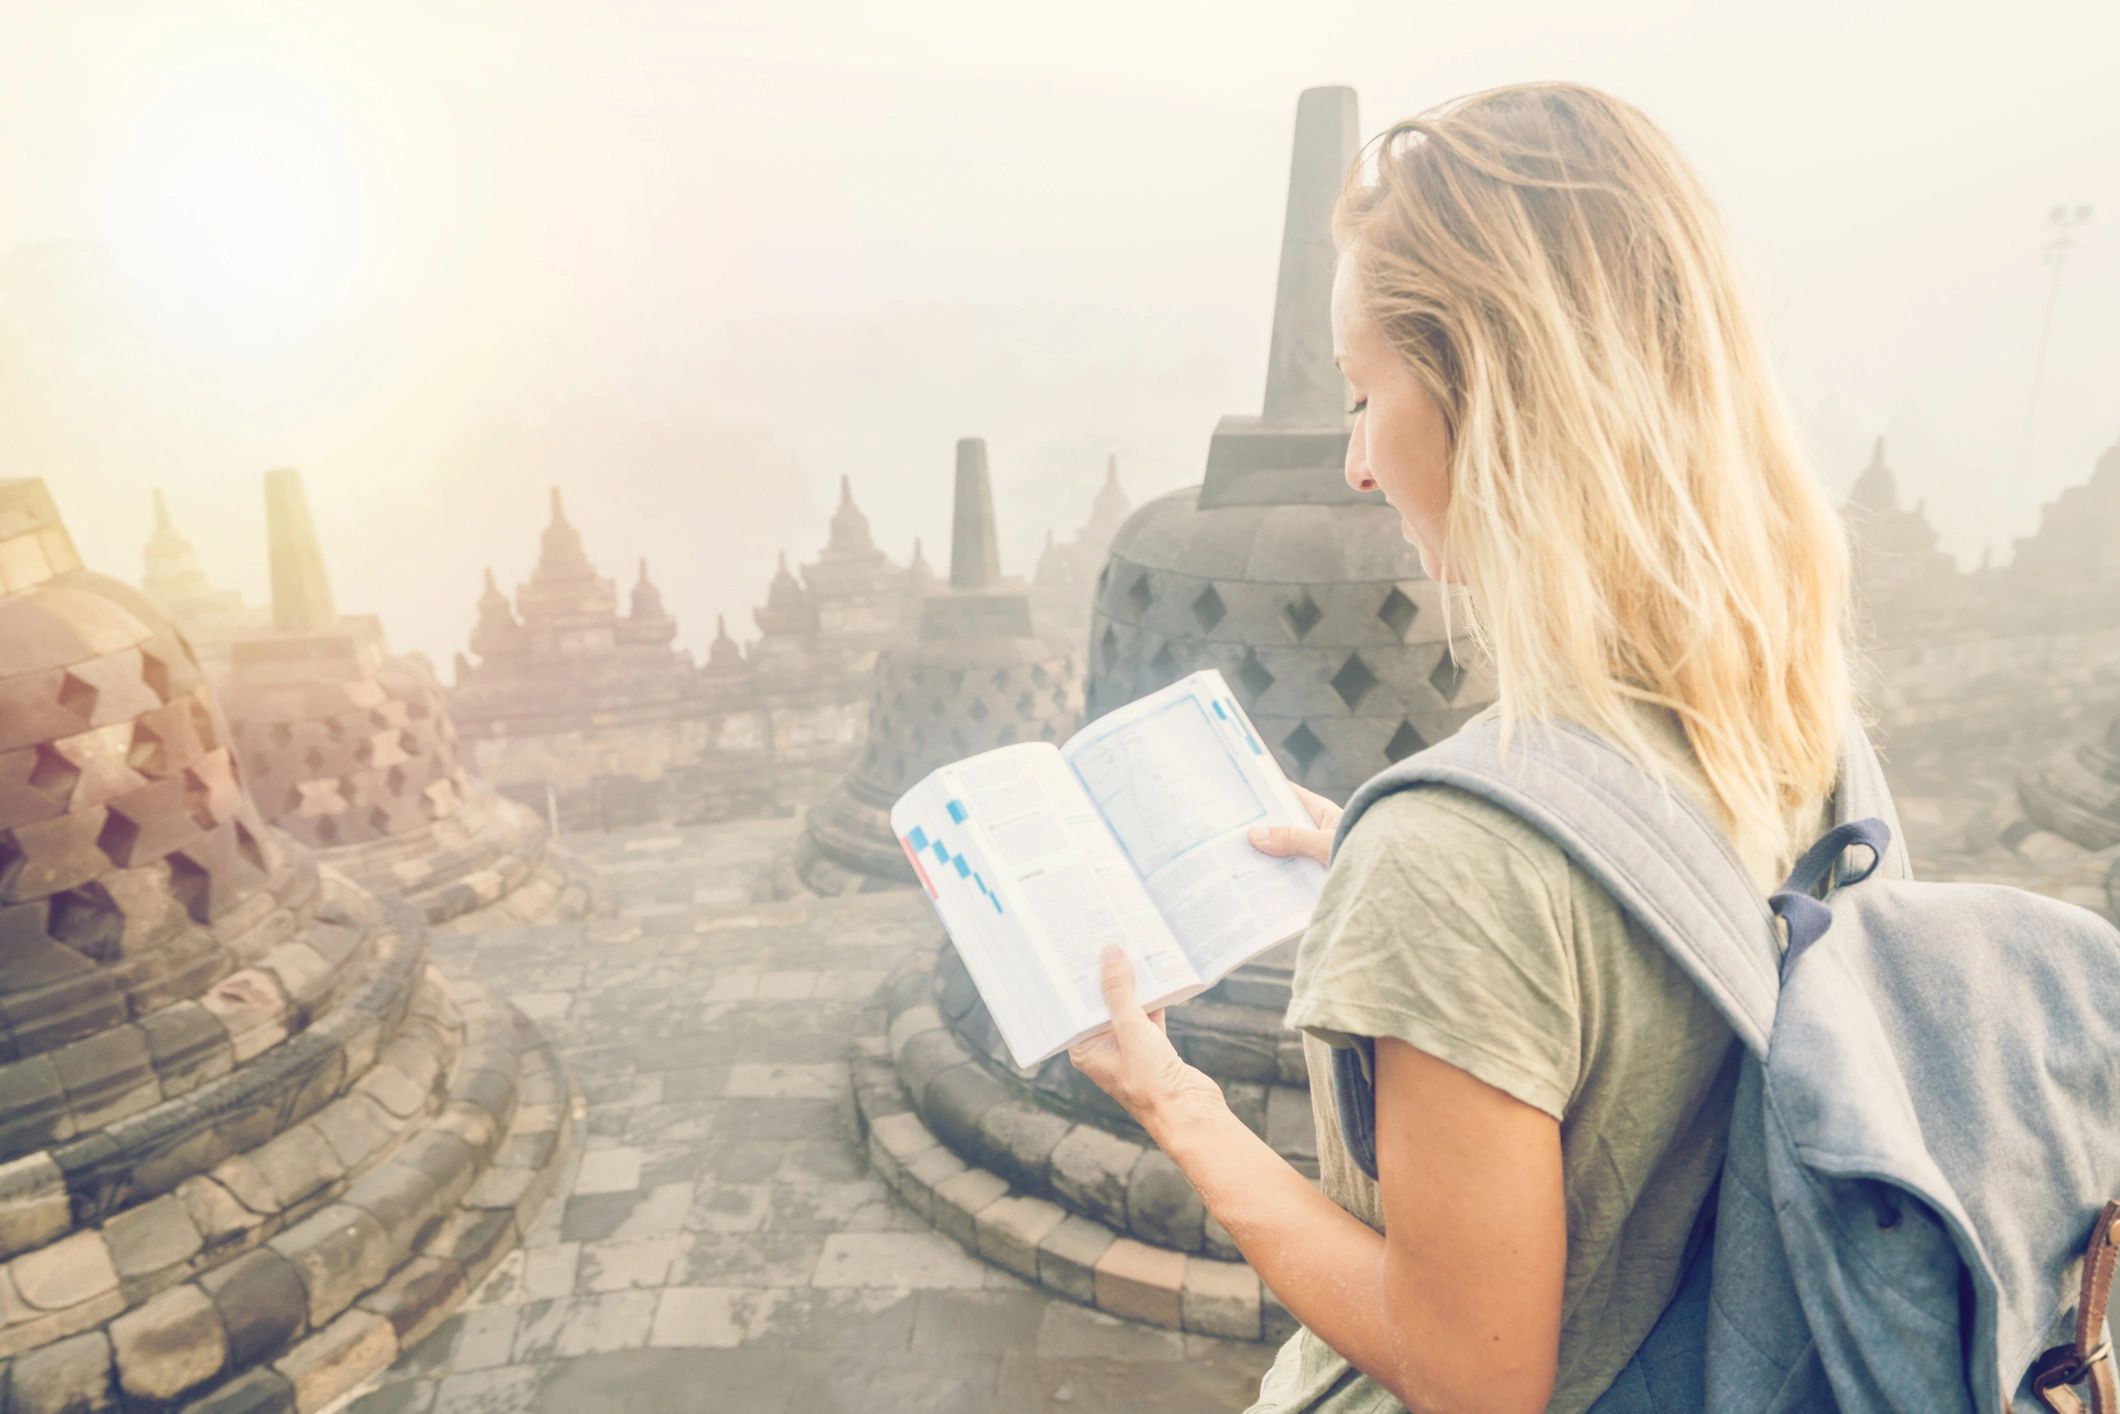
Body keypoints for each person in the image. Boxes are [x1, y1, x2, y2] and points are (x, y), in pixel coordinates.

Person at [1069, 80, 1861, 1414]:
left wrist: (1175, 1102)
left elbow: (1469, 1373)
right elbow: (1624, 961)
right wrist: (1385, 848)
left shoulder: (1458, 865)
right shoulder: (1779, 716)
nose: (1360, 463)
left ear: (1493, 399)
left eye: (1367, 394)